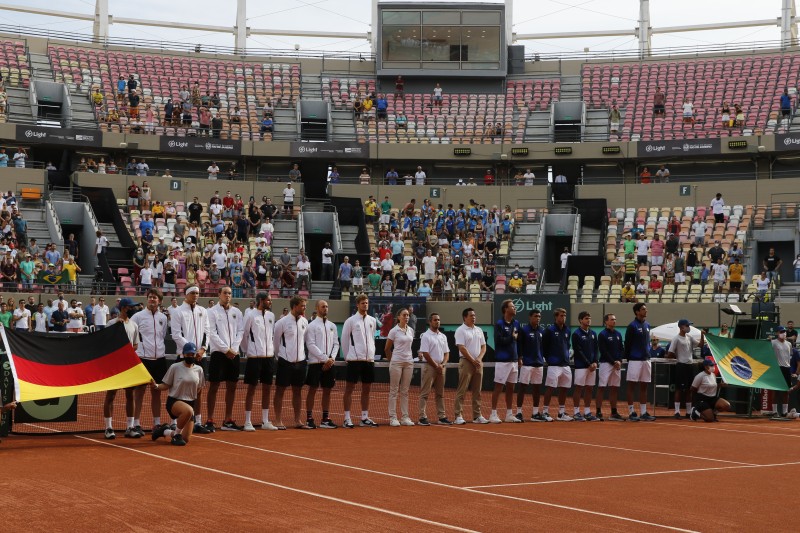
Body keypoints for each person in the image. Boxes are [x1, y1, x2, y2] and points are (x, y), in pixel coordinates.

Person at [170, 285, 212, 433]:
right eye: (193, 293)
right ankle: (174, 422)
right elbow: (176, 334)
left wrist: (202, 349)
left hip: (201, 356)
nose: (195, 295)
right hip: (184, 356)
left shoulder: (203, 311)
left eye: (197, 293)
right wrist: (191, 350)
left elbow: (207, 331)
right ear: (186, 295)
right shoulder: (178, 312)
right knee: (178, 390)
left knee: (199, 390)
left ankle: (197, 422)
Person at [130, 288, 170, 437]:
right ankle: (136, 423)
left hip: (159, 359)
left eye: (155, 298)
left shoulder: (163, 318)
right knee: (139, 393)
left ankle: (156, 423)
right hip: (142, 359)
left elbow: (162, 335)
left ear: (159, 301)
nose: (152, 300)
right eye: (150, 297)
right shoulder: (137, 317)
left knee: (157, 392)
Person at [150, 342, 204, 446]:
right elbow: (166, 385)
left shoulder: (199, 370)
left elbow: (199, 388)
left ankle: (165, 431)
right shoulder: (175, 367)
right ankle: (176, 436)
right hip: (175, 401)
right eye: (188, 354)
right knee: (188, 410)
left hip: (190, 403)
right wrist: (156, 386)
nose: (190, 356)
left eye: (192, 354)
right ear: (183, 354)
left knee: (186, 439)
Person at [206, 287, 244, 431]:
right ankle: (210, 418)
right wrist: (225, 349)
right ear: (219, 295)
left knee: (232, 386)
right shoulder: (211, 312)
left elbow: (241, 331)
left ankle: (228, 419)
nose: (227, 295)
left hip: (234, 353)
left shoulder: (237, 312)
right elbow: (211, 333)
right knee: (214, 386)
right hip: (218, 353)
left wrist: (233, 348)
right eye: (225, 293)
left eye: (229, 293)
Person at [102, 298, 139, 439]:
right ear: (124, 308)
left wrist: (127, 351)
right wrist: (115, 328)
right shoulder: (111, 324)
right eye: (131, 307)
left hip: (128, 365)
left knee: (130, 395)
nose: (133, 309)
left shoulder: (134, 325)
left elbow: (136, 345)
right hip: (114, 365)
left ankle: (130, 427)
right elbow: (105, 343)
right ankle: (108, 428)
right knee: (111, 395)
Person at [240, 292, 277, 431]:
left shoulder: (271, 316)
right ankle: (247, 421)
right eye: (268, 300)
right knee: (251, 389)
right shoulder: (250, 315)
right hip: (254, 358)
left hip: (269, 357)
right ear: (261, 301)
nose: (270, 302)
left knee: (267, 389)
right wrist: (248, 350)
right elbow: (244, 334)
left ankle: (265, 421)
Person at [271, 295, 309, 430]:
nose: (304, 308)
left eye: (305, 305)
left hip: (301, 362)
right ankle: (277, 420)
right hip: (285, 362)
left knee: (298, 391)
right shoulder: (282, 322)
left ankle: (298, 420)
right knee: (280, 391)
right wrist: (280, 356)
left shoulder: (305, 321)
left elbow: (305, 341)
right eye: (302, 306)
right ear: (294, 306)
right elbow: (275, 342)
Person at [340, 294, 378, 428]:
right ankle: (347, 418)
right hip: (354, 360)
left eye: (366, 303)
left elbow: (371, 338)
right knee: (349, 388)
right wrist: (347, 356)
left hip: (369, 360)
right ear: (357, 305)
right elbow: (344, 340)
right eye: (362, 303)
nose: (365, 305)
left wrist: (371, 354)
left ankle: (364, 417)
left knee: (367, 388)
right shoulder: (350, 321)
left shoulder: (372, 321)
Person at [304, 299, 339, 429]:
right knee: (312, 390)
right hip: (315, 363)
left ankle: (325, 419)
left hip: (329, 364)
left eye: (327, 306)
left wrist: (332, 359)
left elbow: (336, 344)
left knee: (327, 391)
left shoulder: (332, 326)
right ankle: (309, 418)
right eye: (323, 306)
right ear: (317, 308)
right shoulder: (311, 325)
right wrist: (325, 359)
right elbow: (310, 345)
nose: (325, 308)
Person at [453, 308, 489, 425]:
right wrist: (472, 360)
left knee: (477, 391)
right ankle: (458, 415)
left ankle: (477, 415)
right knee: (462, 390)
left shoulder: (479, 330)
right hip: (466, 362)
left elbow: (484, 346)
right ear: (465, 317)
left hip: (478, 363)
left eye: (474, 315)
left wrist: (478, 359)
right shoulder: (460, 330)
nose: (473, 317)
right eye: (471, 315)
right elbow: (461, 348)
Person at [490, 300, 522, 423]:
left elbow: (517, 342)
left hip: (514, 361)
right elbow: (498, 341)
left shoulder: (517, 323)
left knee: (511, 388)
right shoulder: (499, 324)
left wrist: (519, 358)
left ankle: (509, 414)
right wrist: (511, 337)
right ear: (505, 309)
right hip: (502, 361)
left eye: (514, 306)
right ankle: (493, 414)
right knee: (498, 387)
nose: (515, 308)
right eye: (512, 307)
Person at [386, 308, 419, 426]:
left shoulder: (411, 330)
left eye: (408, 315)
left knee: (405, 391)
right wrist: (393, 361)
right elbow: (387, 349)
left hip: (409, 362)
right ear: (398, 317)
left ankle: (405, 417)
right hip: (396, 362)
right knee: (394, 390)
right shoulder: (393, 331)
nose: (406, 317)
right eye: (404, 315)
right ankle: (393, 418)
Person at [624, 303, 656, 421]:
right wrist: (628, 358)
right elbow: (627, 344)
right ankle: (631, 412)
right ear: (637, 312)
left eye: (646, 309)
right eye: (643, 309)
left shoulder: (647, 325)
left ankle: (643, 412)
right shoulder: (631, 326)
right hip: (634, 360)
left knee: (644, 386)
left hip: (646, 359)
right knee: (631, 386)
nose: (646, 311)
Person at [667, 319, 703, 419]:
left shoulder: (690, 337)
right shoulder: (676, 338)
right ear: (682, 327)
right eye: (687, 325)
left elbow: (700, 345)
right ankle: (677, 412)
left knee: (689, 390)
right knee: (679, 389)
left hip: (689, 365)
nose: (689, 327)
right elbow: (670, 353)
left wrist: (703, 335)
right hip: (681, 366)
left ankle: (688, 412)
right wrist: (678, 357)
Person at [418, 313, 449, 427]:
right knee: (425, 393)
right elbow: (425, 353)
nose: (437, 322)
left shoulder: (443, 336)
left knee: (440, 394)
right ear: (430, 322)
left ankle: (442, 417)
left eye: (439, 320)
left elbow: (447, 353)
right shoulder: (426, 336)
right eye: (435, 320)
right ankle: (422, 417)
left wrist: (443, 364)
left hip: (441, 368)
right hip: (430, 367)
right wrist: (436, 365)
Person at [542, 308, 573, 421]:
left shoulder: (567, 330)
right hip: (553, 365)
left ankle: (561, 413)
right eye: (561, 315)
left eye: (564, 315)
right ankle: (545, 412)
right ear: (556, 317)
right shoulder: (549, 330)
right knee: (550, 388)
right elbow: (544, 347)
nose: (563, 317)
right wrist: (550, 359)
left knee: (564, 389)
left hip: (565, 365)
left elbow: (567, 345)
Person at [515, 310, 545, 421]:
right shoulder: (524, 330)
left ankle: (535, 413)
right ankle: (518, 413)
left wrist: (542, 358)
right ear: (530, 317)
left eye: (539, 316)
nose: (538, 318)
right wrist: (520, 358)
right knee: (522, 387)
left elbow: (543, 347)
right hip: (527, 363)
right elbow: (520, 345)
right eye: (535, 316)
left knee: (537, 388)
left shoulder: (542, 330)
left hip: (539, 363)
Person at [571, 311, 600, 421]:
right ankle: (576, 412)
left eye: (589, 318)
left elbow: (596, 349)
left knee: (589, 388)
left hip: (592, 366)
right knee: (579, 387)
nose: (588, 320)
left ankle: (587, 412)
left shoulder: (593, 333)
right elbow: (578, 351)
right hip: (581, 366)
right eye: (586, 318)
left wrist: (595, 362)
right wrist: (588, 363)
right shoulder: (576, 334)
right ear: (580, 320)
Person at [596, 313, 625, 421]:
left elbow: (621, 349)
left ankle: (613, 413)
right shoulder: (602, 334)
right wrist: (613, 362)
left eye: (615, 319)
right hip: (605, 364)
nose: (614, 321)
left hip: (617, 364)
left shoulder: (618, 334)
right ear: (606, 322)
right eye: (612, 319)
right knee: (601, 387)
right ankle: (598, 412)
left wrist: (619, 360)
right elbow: (603, 351)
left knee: (614, 388)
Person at [771, 326, 793, 418]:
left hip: (787, 368)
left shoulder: (789, 344)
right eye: (781, 331)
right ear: (777, 333)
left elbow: (790, 356)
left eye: (784, 331)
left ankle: (784, 412)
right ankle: (774, 411)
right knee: (775, 391)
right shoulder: (773, 343)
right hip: (777, 368)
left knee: (786, 391)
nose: (784, 333)